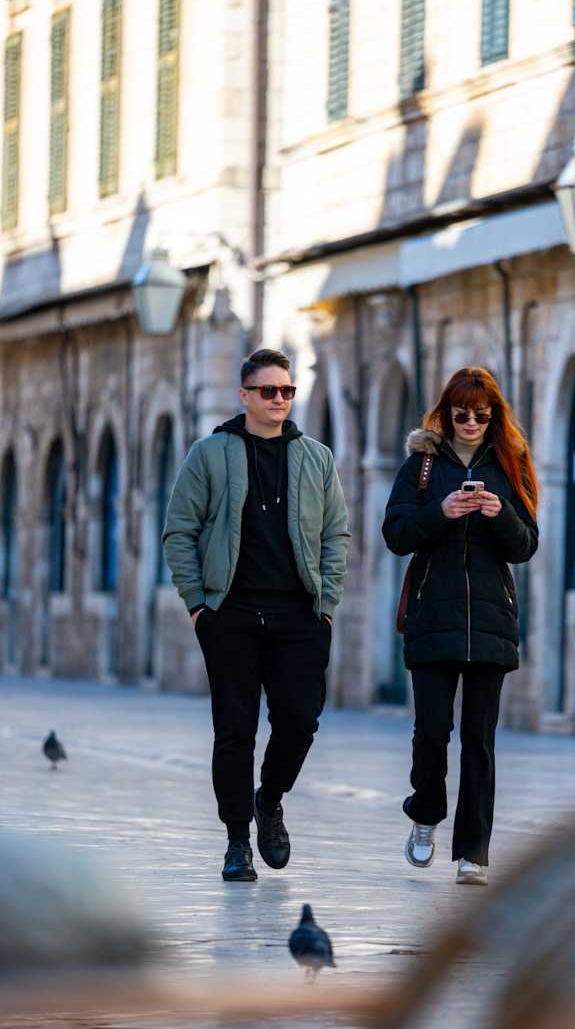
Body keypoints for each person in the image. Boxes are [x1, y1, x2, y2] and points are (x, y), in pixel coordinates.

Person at [163, 348, 350, 882]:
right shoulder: (209, 453)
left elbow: (336, 534)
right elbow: (179, 532)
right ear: (244, 395)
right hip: (231, 613)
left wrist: (326, 607)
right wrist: (199, 606)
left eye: (287, 390)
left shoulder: (317, 458)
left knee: (300, 719)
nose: (279, 399)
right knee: (234, 730)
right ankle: (237, 841)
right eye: (268, 390)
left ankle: (269, 799)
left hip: (299, 615)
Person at [382, 366, 539, 887]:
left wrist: (500, 512)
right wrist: (442, 511)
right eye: (461, 415)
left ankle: (473, 853)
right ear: (446, 414)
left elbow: (526, 544)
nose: (471, 424)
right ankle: (426, 812)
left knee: (480, 740)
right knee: (432, 733)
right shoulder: (422, 465)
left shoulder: (511, 463)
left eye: (481, 416)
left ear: (494, 416)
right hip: (432, 615)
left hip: (491, 619)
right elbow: (396, 534)